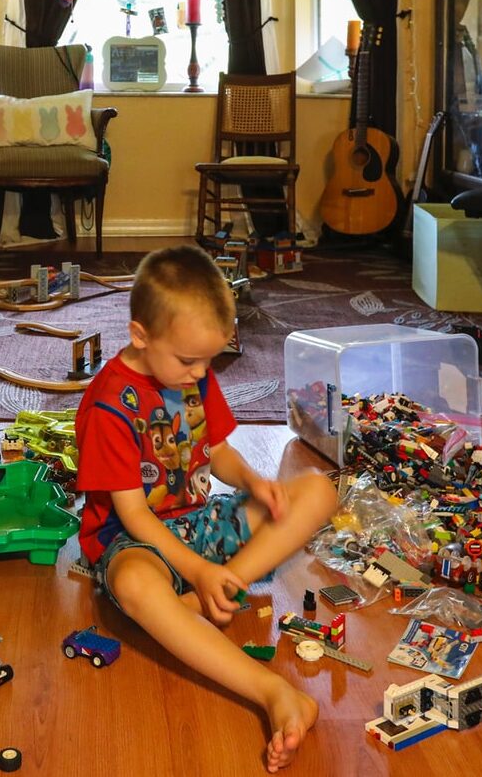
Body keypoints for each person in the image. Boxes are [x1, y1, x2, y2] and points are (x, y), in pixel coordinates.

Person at [74, 245, 338, 772]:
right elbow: (134, 517)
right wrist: (196, 570)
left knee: (317, 489)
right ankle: (271, 691)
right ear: (140, 336)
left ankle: (214, 596)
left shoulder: (191, 375)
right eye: (190, 361)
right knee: (132, 584)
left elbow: (216, 452)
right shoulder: (109, 406)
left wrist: (255, 483)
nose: (199, 374)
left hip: (199, 523)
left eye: (210, 362)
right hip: (134, 543)